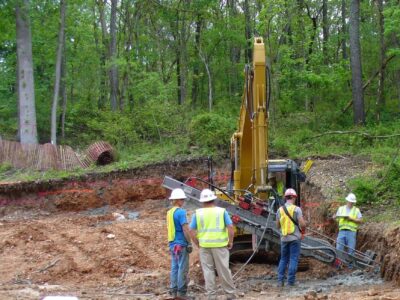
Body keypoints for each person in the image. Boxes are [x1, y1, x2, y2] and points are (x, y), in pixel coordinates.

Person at [189, 188, 236, 299]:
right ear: (213, 200)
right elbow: (230, 227)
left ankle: (211, 296)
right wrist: (230, 241)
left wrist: (197, 243)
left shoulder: (198, 213)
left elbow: (191, 230)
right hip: (220, 246)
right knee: (223, 270)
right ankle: (230, 294)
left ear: (202, 201)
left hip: (204, 246)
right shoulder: (221, 211)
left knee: (208, 271)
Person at [276, 188, 306, 287]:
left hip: (284, 238)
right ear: (293, 197)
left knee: (283, 259)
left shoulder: (280, 210)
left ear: (285, 198)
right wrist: (303, 231)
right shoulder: (297, 209)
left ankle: (280, 281)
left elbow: (277, 225)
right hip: (294, 238)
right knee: (293, 259)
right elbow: (302, 224)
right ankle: (290, 282)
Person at [167, 188, 193, 300]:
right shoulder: (181, 212)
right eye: (182, 199)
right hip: (181, 244)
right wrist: (190, 242)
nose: (183, 201)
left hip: (173, 244)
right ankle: (182, 293)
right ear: (178, 200)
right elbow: (185, 229)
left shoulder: (169, 212)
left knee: (174, 267)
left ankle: (174, 291)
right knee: (183, 267)